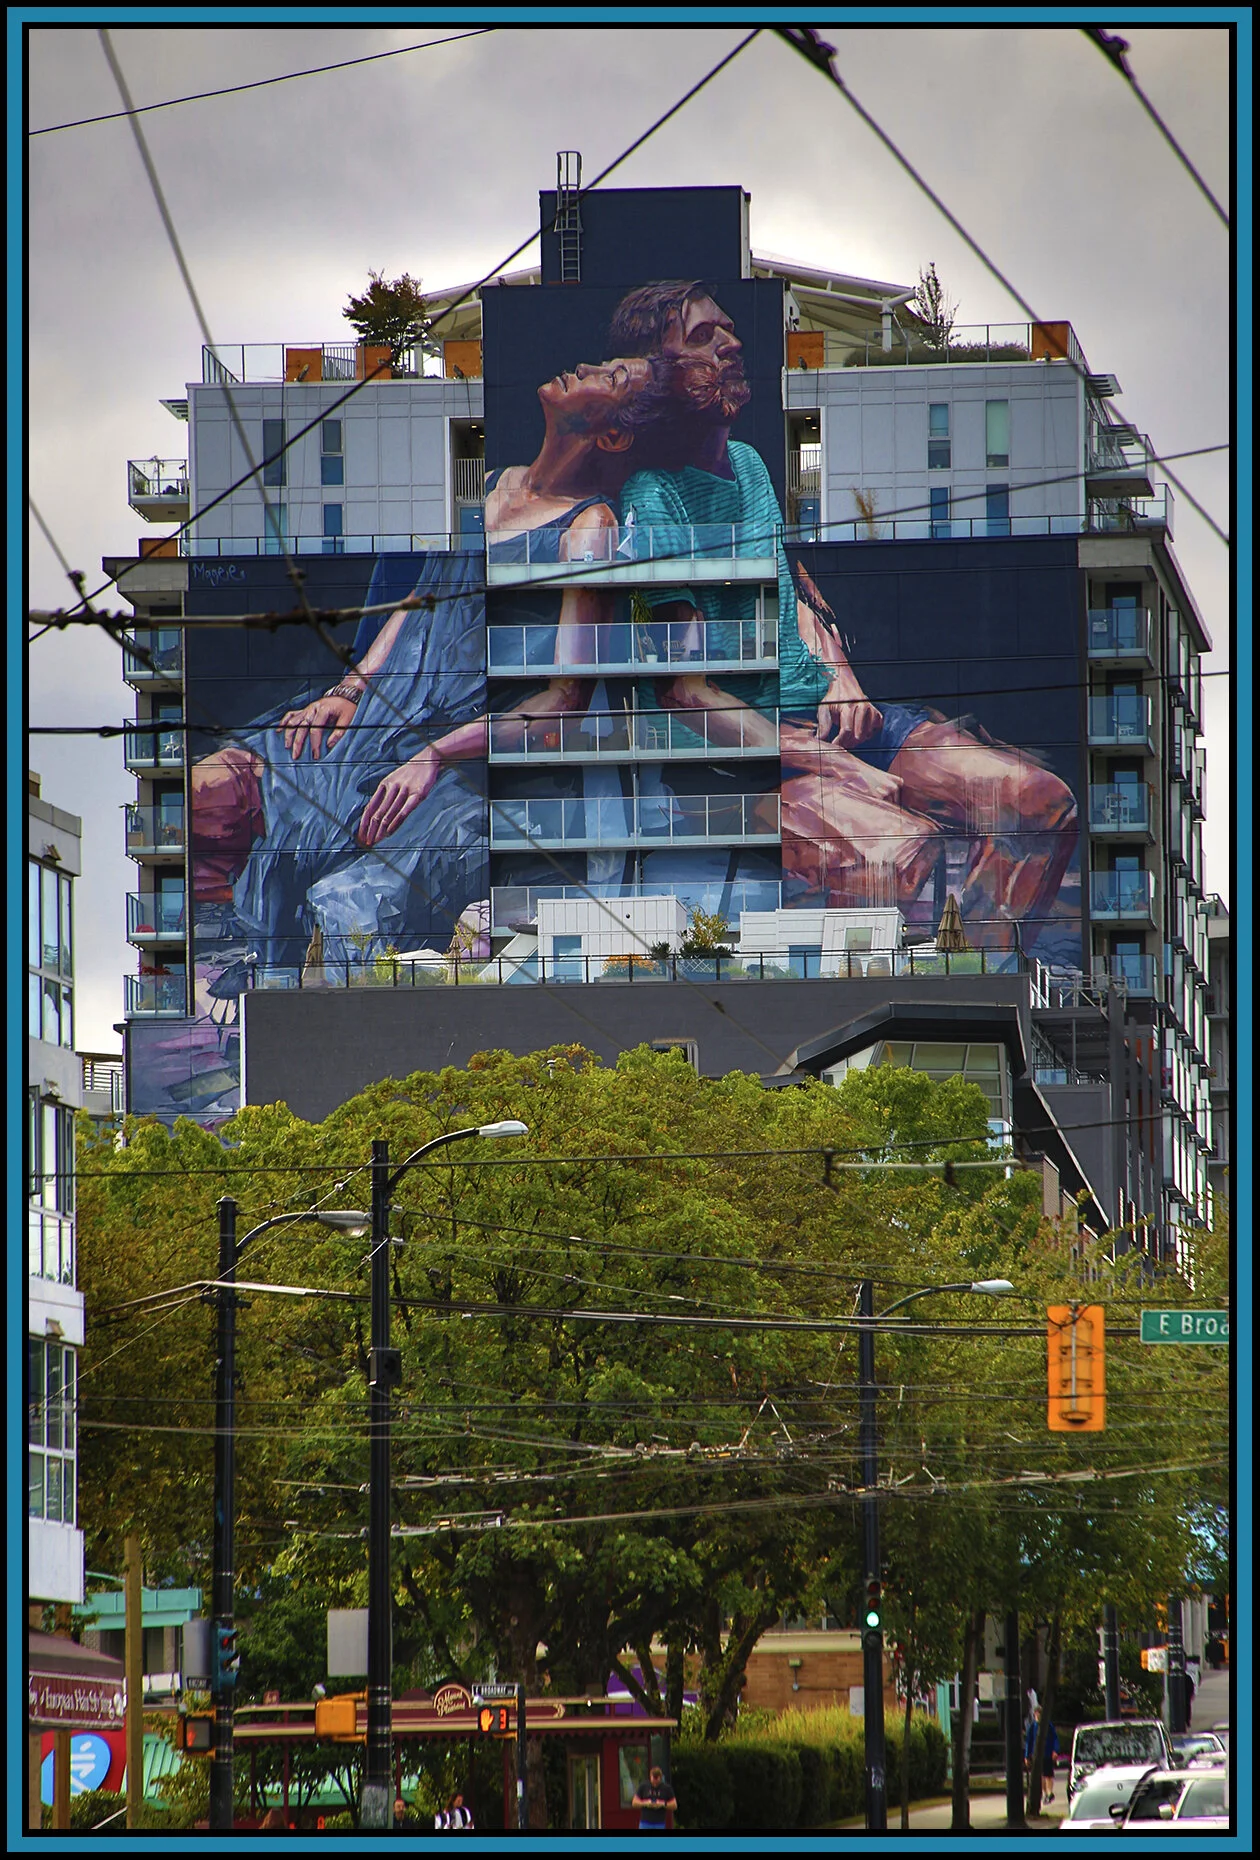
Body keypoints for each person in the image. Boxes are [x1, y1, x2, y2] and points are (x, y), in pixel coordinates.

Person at [608, 279, 1078, 946]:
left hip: (838, 724)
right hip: (752, 761)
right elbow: (684, 695)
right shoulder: (653, 497)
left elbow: (793, 585)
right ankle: (918, 990)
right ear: (659, 374)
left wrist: (840, 673)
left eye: (729, 330)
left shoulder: (747, 464)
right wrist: (829, 765)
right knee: (902, 853)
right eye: (703, 340)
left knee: (1042, 805)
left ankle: (975, 973)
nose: (732, 346)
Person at [631, 1765, 676, 1832]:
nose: (655, 1783)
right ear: (650, 1776)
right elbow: (634, 1803)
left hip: (659, 1824)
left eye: (657, 1781)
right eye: (653, 1780)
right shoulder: (644, 1786)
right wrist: (645, 1803)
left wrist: (662, 1804)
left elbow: (674, 1805)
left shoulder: (667, 1788)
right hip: (645, 1823)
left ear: (660, 1778)